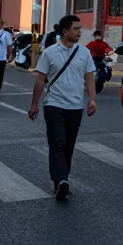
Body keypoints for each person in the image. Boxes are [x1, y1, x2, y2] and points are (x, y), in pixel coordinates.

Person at [28, 16, 96, 201]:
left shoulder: (84, 52)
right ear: (65, 31)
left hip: (75, 106)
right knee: (57, 143)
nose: (79, 32)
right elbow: (41, 79)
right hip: (54, 104)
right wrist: (34, 104)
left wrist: (92, 100)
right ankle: (60, 181)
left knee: (68, 145)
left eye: (79, 28)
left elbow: (89, 76)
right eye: (75, 29)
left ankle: (61, 179)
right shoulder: (49, 53)